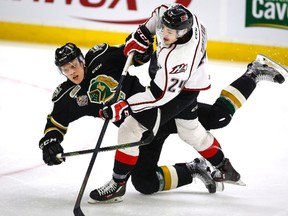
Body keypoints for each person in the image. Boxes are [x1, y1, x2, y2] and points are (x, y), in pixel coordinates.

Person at [88, 3, 285, 203]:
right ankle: (216, 165)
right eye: (164, 28)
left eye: (171, 32)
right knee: (192, 129)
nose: (165, 34)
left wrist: (125, 106)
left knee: (130, 128)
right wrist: (143, 33)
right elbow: (160, 11)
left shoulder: (180, 58)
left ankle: (117, 183)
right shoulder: (180, 21)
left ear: (184, 32)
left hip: (180, 91)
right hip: (177, 81)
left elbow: (159, 95)